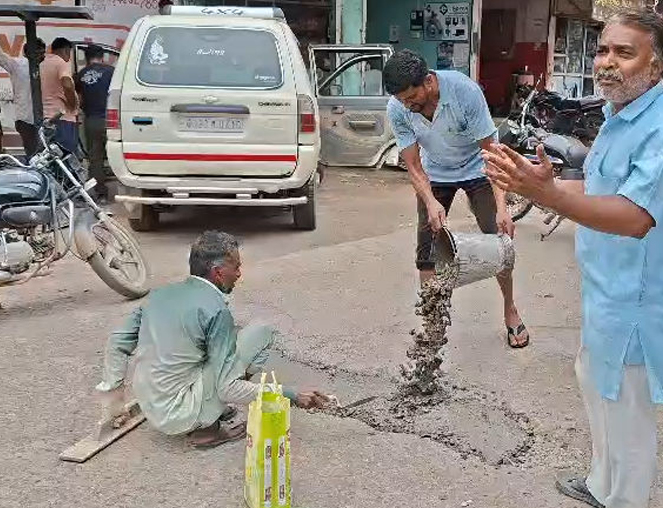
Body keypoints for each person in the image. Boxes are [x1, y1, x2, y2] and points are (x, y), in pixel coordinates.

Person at [483, 11, 663, 508]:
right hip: (606, 288)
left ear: (657, 65)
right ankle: (604, 483)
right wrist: (550, 184)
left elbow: (633, 215)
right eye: (603, 50)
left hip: (637, 298)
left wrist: (551, 197)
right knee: (594, 382)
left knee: (625, 407)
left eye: (624, 53)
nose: (606, 62)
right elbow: (602, 187)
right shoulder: (621, 114)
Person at [96, 231, 332, 448]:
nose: (239, 274)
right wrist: (290, 394)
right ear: (218, 273)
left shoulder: (158, 296)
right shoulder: (217, 311)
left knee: (261, 331)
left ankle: (210, 409)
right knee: (229, 378)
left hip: (152, 405)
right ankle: (206, 430)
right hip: (179, 414)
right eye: (236, 267)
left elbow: (117, 344)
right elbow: (228, 387)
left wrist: (114, 403)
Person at [382, 49, 529, 349]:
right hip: (435, 173)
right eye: (401, 100)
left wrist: (503, 208)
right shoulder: (398, 108)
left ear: (429, 82)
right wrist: (430, 201)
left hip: (478, 168)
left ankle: (510, 309)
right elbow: (413, 165)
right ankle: (432, 321)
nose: (407, 106)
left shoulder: (465, 92)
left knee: (499, 240)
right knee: (426, 250)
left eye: (412, 98)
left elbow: (492, 154)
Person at [76, 44, 114, 199]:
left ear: (86, 59)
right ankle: (126, 187)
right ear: (102, 57)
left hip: (91, 120)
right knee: (116, 154)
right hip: (111, 120)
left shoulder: (80, 75)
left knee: (95, 157)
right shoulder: (112, 72)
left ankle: (100, 192)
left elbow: (79, 99)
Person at [0, 38, 46, 158]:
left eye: (42, 52)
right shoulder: (18, 65)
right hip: (28, 119)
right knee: (36, 156)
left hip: (37, 120)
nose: (41, 55)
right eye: (39, 52)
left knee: (38, 156)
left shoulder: (45, 68)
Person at [41, 37, 78, 152]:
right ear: (66, 50)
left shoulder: (42, 63)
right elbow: (67, 84)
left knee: (51, 157)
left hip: (46, 118)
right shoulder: (61, 63)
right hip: (62, 117)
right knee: (65, 156)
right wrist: (72, 104)